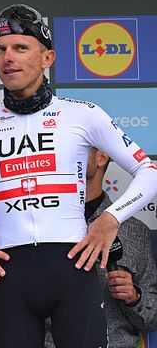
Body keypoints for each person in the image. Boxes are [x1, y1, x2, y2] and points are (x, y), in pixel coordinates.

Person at [0, 4, 157, 348]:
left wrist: (111, 217)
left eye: (20, 48)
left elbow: (149, 171)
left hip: (73, 271)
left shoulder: (83, 115)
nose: (8, 57)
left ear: (48, 58)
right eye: (1, 49)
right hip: (9, 274)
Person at [44, 148, 157, 348]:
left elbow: (151, 319)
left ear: (101, 157)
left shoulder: (135, 231)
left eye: (77, 146)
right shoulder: (38, 227)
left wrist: (134, 297)